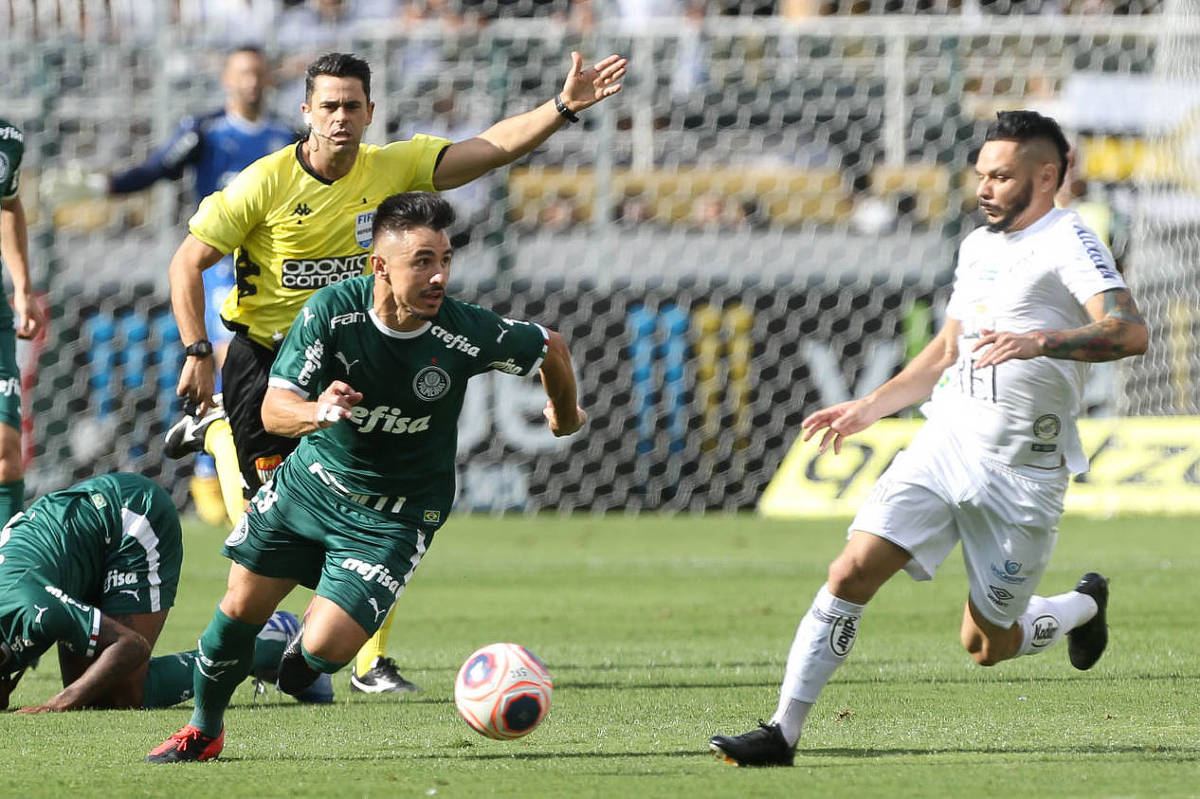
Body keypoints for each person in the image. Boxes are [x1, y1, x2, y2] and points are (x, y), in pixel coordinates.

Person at [163, 49, 624, 695]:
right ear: (306, 112)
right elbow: (188, 260)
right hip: (271, 360)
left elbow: (488, 148)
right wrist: (195, 349)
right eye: (328, 106)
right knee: (271, 518)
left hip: (360, 352)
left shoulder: (392, 166)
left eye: (353, 105)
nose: (341, 118)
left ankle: (367, 659)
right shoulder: (263, 182)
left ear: (371, 111)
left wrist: (563, 106)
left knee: (383, 500)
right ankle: (217, 432)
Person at [709, 110, 1149, 767]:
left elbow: (1129, 332)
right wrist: (872, 406)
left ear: (1047, 175)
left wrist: (1042, 341)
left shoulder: (1071, 240)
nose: (985, 187)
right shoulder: (976, 246)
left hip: (1024, 470)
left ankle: (1083, 605)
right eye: (981, 175)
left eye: (1001, 176)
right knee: (850, 569)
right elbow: (947, 348)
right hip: (946, 441)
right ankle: (782, 731)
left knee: (987, 644)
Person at [146, 192, 586, 762]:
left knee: (324, 656)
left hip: (395, 515)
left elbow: (549, 345)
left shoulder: (464, 331)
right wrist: (317, 412)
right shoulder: (332, 313)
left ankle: (293, 652)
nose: (439, 276)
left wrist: (566, 412)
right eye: (422, 261)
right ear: (379, 265)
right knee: (236, 610)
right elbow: (273, 410)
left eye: (445, 260)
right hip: (313, 487)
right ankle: (203, 731)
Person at [99, 47, 295, 528]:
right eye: (242, 73)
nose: (250, 82)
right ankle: (210, 463)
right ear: (226, 79)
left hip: (275, 269)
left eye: (257, 73)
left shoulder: (288, 137)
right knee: (228, 355)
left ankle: (253, 464)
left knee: (276, 364)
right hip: (218, 267)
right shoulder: (204, 132)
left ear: (269, 79)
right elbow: (159, 168)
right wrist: (104, 186)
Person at [0, 472, 327, 712]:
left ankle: (267, 642)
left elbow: (132, 646)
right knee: (91, 694)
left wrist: (56, 704)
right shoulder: (24, 607)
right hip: (79, 542)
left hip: (130, 520)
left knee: (123, 693)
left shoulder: (32, 606)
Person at [0, 118, 48, 526]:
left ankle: (5, 575)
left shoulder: (7, 138)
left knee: (5, 455)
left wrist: (22, 287)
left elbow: (8, 203)